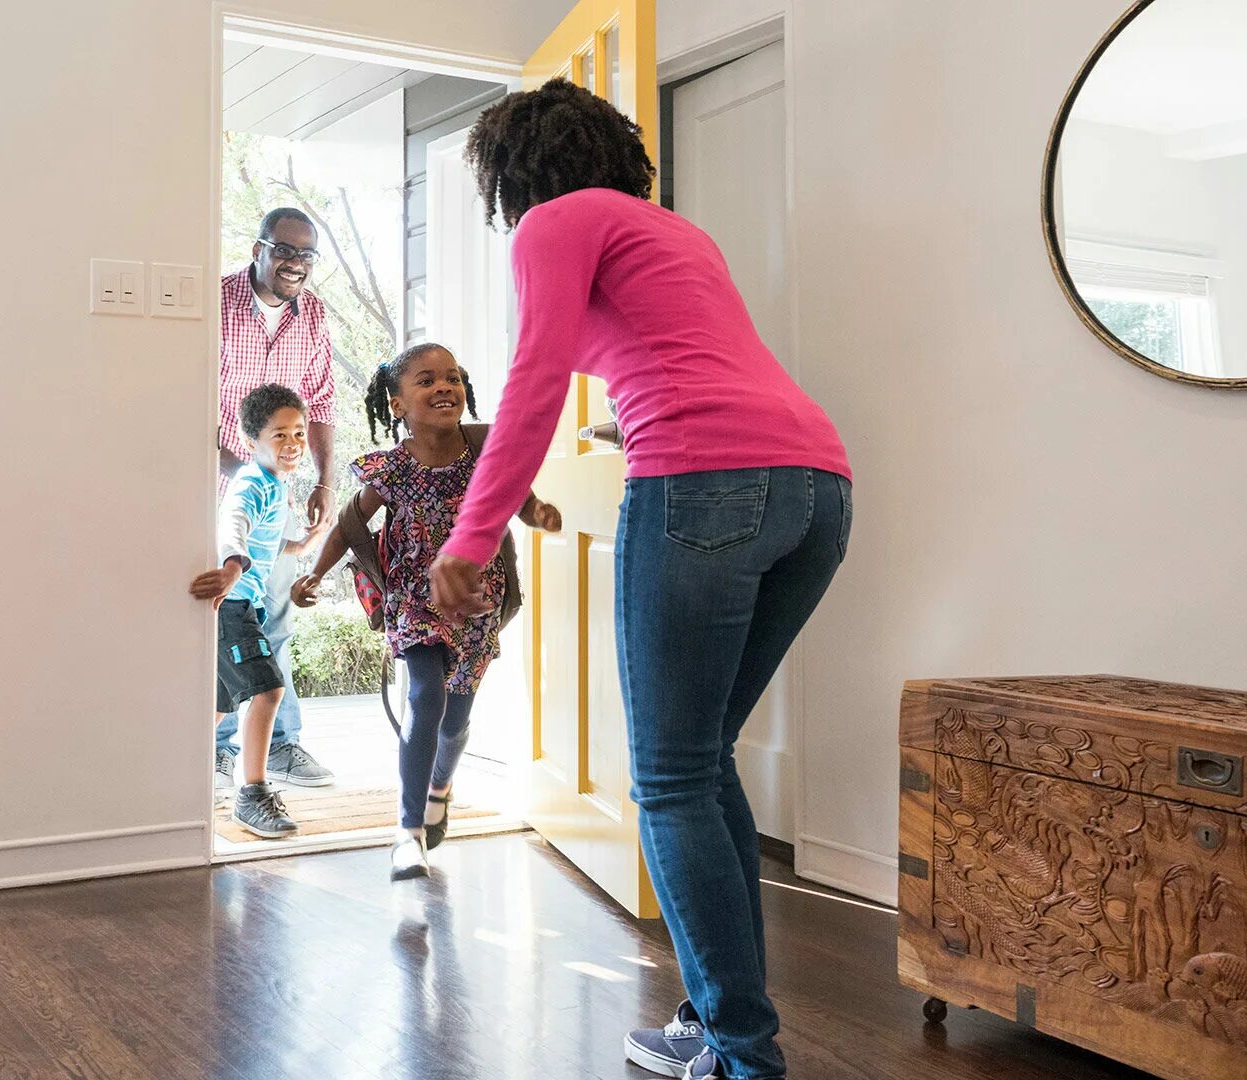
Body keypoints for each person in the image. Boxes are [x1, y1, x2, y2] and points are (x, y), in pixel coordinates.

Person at [429, 81, 853, 1080]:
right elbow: (687, 359)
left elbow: (533, 378)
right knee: (703, 760)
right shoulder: (671, 232)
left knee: (668, 778)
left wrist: (474, 531)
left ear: (510, 172)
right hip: (816, 487)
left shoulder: (553, 223)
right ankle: (717, 1022)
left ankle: (742, 1057)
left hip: (705, 486)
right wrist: (635, 417)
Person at [292, 344, 561, 881]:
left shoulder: (486, 448)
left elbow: (517, 495)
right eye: (426, 380)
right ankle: (407, 831)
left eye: (453, 377)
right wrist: (316, 574)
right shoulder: (391, 467)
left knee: (457, 716)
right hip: (414, 598)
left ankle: (441, 785)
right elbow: (350, 524)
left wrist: (538, 513)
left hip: (478, 599)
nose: (444, 386)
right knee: (425, 695)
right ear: (396, 404)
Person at [214, 207, 340, 789]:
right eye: (285, 250)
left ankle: (284, 746)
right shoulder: (216, 304)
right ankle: (217, 748)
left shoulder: (312, 315)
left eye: (307, 255)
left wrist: (324, 481)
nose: (296, 264)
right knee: (220, 620)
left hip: (280, 495)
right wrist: (247, 474)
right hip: (218, 492)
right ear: (259, 247)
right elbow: (185, 397)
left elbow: (321, 403)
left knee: (277, 619)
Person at [191, 385, 328, 838]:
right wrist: (232, 566)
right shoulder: (252, 483)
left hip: (240, 603)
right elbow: (235, 524)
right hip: (233, 604)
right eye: (279, 435)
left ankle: (174, 781)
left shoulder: (275, 484)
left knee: (218, 703)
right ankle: (251, 795)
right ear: (252, 442)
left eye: (299, 433)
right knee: (268, 692)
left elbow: (266, 540)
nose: (292, 445)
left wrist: (304, 543)